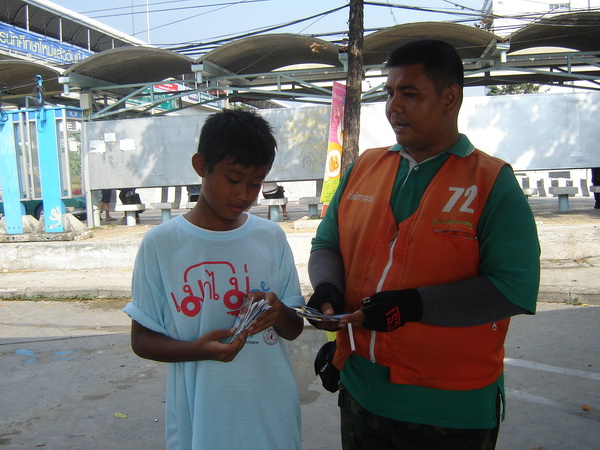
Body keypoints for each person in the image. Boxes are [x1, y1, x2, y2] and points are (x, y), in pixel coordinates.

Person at [307, 39, 540, 449]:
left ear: (450, 98)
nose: (393, 107)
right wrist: (328, 290)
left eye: (409, 94)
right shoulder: (364, 167)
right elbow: (326, 244)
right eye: (389, 93)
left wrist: (413, 305)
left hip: (451, 413)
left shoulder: (491, 182)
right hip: (361, 394)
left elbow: (511, 289)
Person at [123, 108, 304, 449]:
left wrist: (278, 311)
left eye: (256, 183)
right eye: (233, 179)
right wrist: (198, 350)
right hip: (201, 419)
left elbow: (294, 329)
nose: (243, 194)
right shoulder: (162, 244)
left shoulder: (270, 238)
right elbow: (142, 340)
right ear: (201, 165)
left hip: (272, 414)